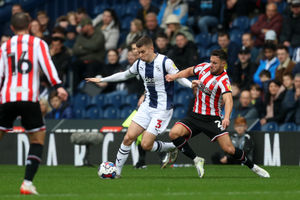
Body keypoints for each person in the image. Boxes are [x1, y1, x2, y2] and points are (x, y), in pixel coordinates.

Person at [86, 36, 192, 177]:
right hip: (147, 106)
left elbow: (179, 77)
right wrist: (102, 79)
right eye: (138, 52)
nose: (140, 55)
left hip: (162, 109)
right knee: (128, 138)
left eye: (142, 52)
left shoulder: (165, 62)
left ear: (151, 49)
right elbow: (124, 75)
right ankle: (117, 172)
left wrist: (192, 85)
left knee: (146, 145)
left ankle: (173, 147)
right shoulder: (139, 64)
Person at [165, 49, 270, 178]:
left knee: (229, 149)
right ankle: (197, 159)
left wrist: (226, 117)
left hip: (212, 119)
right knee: (174, 133)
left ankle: (253, 167)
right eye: (211, 61)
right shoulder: (204, 67)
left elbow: (228, 100)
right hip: (195, 115)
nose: (211, 65)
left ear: (223, 64)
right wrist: (174, 76)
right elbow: (189, 71)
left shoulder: (224, 80)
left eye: (215, 63)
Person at [0, 12, 68, 194]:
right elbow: (47, 65)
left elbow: (0, 74)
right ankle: (27, 183)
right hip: (29, 98)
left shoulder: (5, 46)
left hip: (6, 97)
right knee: (37, 139)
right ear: (29, 26)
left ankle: (28, 184)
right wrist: (59, 86)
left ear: (12, 28)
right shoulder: (38, 43)